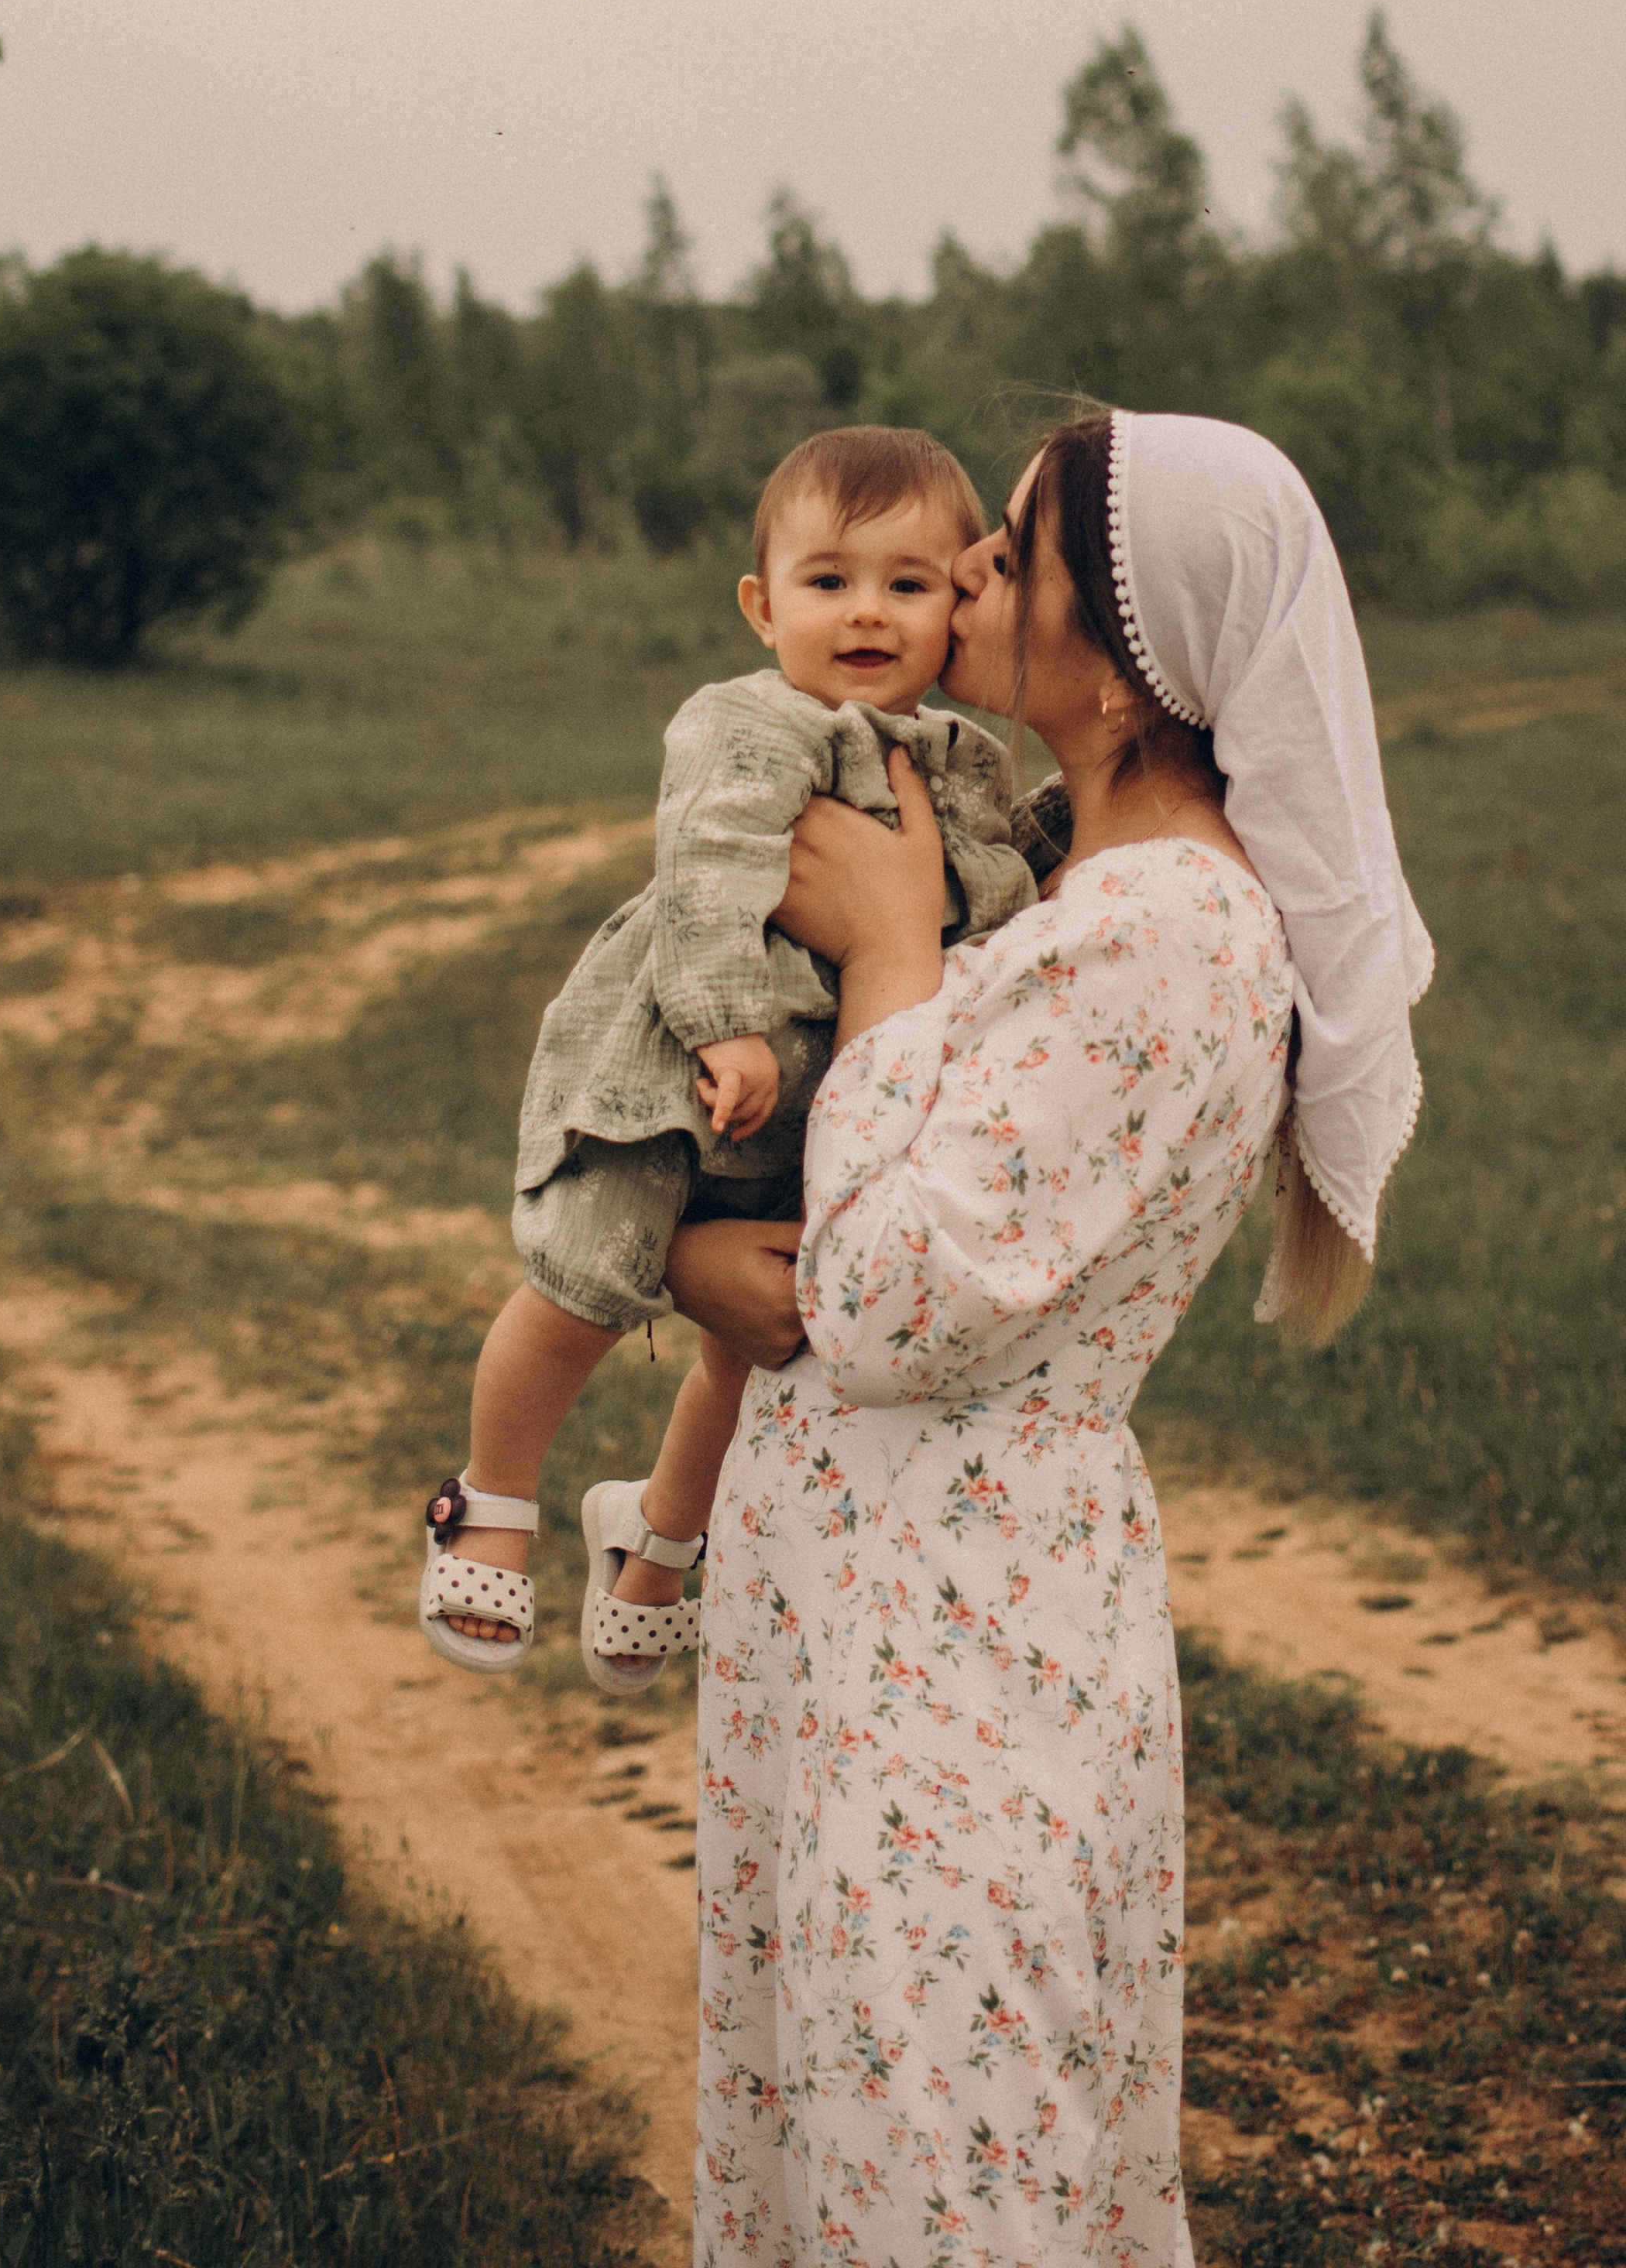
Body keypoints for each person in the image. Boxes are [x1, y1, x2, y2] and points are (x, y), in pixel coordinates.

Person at [687, 407, 1432, 2265]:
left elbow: (875, 1307)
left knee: (945, 2157)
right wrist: (706, 1260)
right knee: (859, 2116)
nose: (956, 590)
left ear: (1125, 653)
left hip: (963, 1638)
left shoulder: (1166, 932)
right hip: (892, 1615)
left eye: (1003, 560)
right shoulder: (1080, 897)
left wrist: (880, 955)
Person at [417, 428, 1055, 1686]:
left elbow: (994, 883)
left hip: (827, 1095)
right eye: (830, 582)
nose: (867, 612)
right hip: (679, 1073)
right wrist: (723, 1025)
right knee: (584, 1283)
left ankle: (657, 1536)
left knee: (756, 1334)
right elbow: (706, 873)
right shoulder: (751, 725)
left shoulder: (964, 759)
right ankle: (490, 1495)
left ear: (955, 609)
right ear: (764, 608)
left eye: (909, 584)